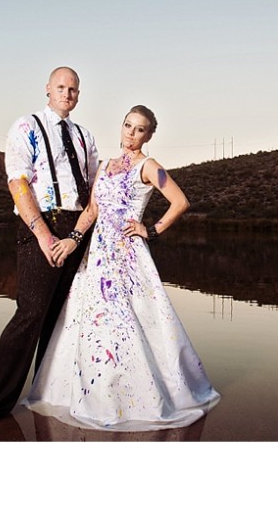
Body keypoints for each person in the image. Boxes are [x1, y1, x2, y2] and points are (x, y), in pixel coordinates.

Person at [21, 105, 220, 431]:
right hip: (97, 254)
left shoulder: (148, 165)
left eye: (140, 129)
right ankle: (95, 392)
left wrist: (150, 230)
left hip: (127, 255)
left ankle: (135, 397)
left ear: (149, 134)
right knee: (92, 322)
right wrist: (73, 239)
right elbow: (92, 210)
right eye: (128, 125)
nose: (131, 133)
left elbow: (180, 202)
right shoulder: (106, 166)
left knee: (132, 320)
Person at [0, 66, 99, 433]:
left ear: (79, 93)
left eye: (73, 88)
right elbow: (17, 181)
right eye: (60, 87)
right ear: (47, 89)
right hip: (42, 224)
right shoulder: (27, 127)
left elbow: (93, 189)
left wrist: (80, 235)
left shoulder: (85, 136)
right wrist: (43, 234)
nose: (67, 93)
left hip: (77, 229)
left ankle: (46, 394)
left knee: (62, 320)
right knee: (30, 315)